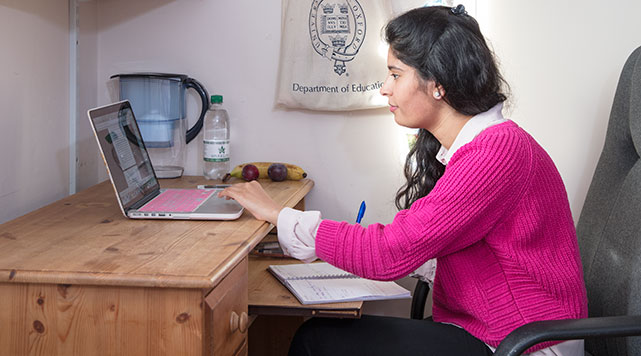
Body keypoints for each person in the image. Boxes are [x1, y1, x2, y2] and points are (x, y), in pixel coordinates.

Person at [220, 5, 587, 356]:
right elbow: (434, 244)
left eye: (396, 75)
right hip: (494, 329)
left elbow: (390, 252)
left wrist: (279, 214)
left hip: (519, 344)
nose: (385, 88)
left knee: (316, 340)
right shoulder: (480, 146)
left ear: (437, 84)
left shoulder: (495, 153)